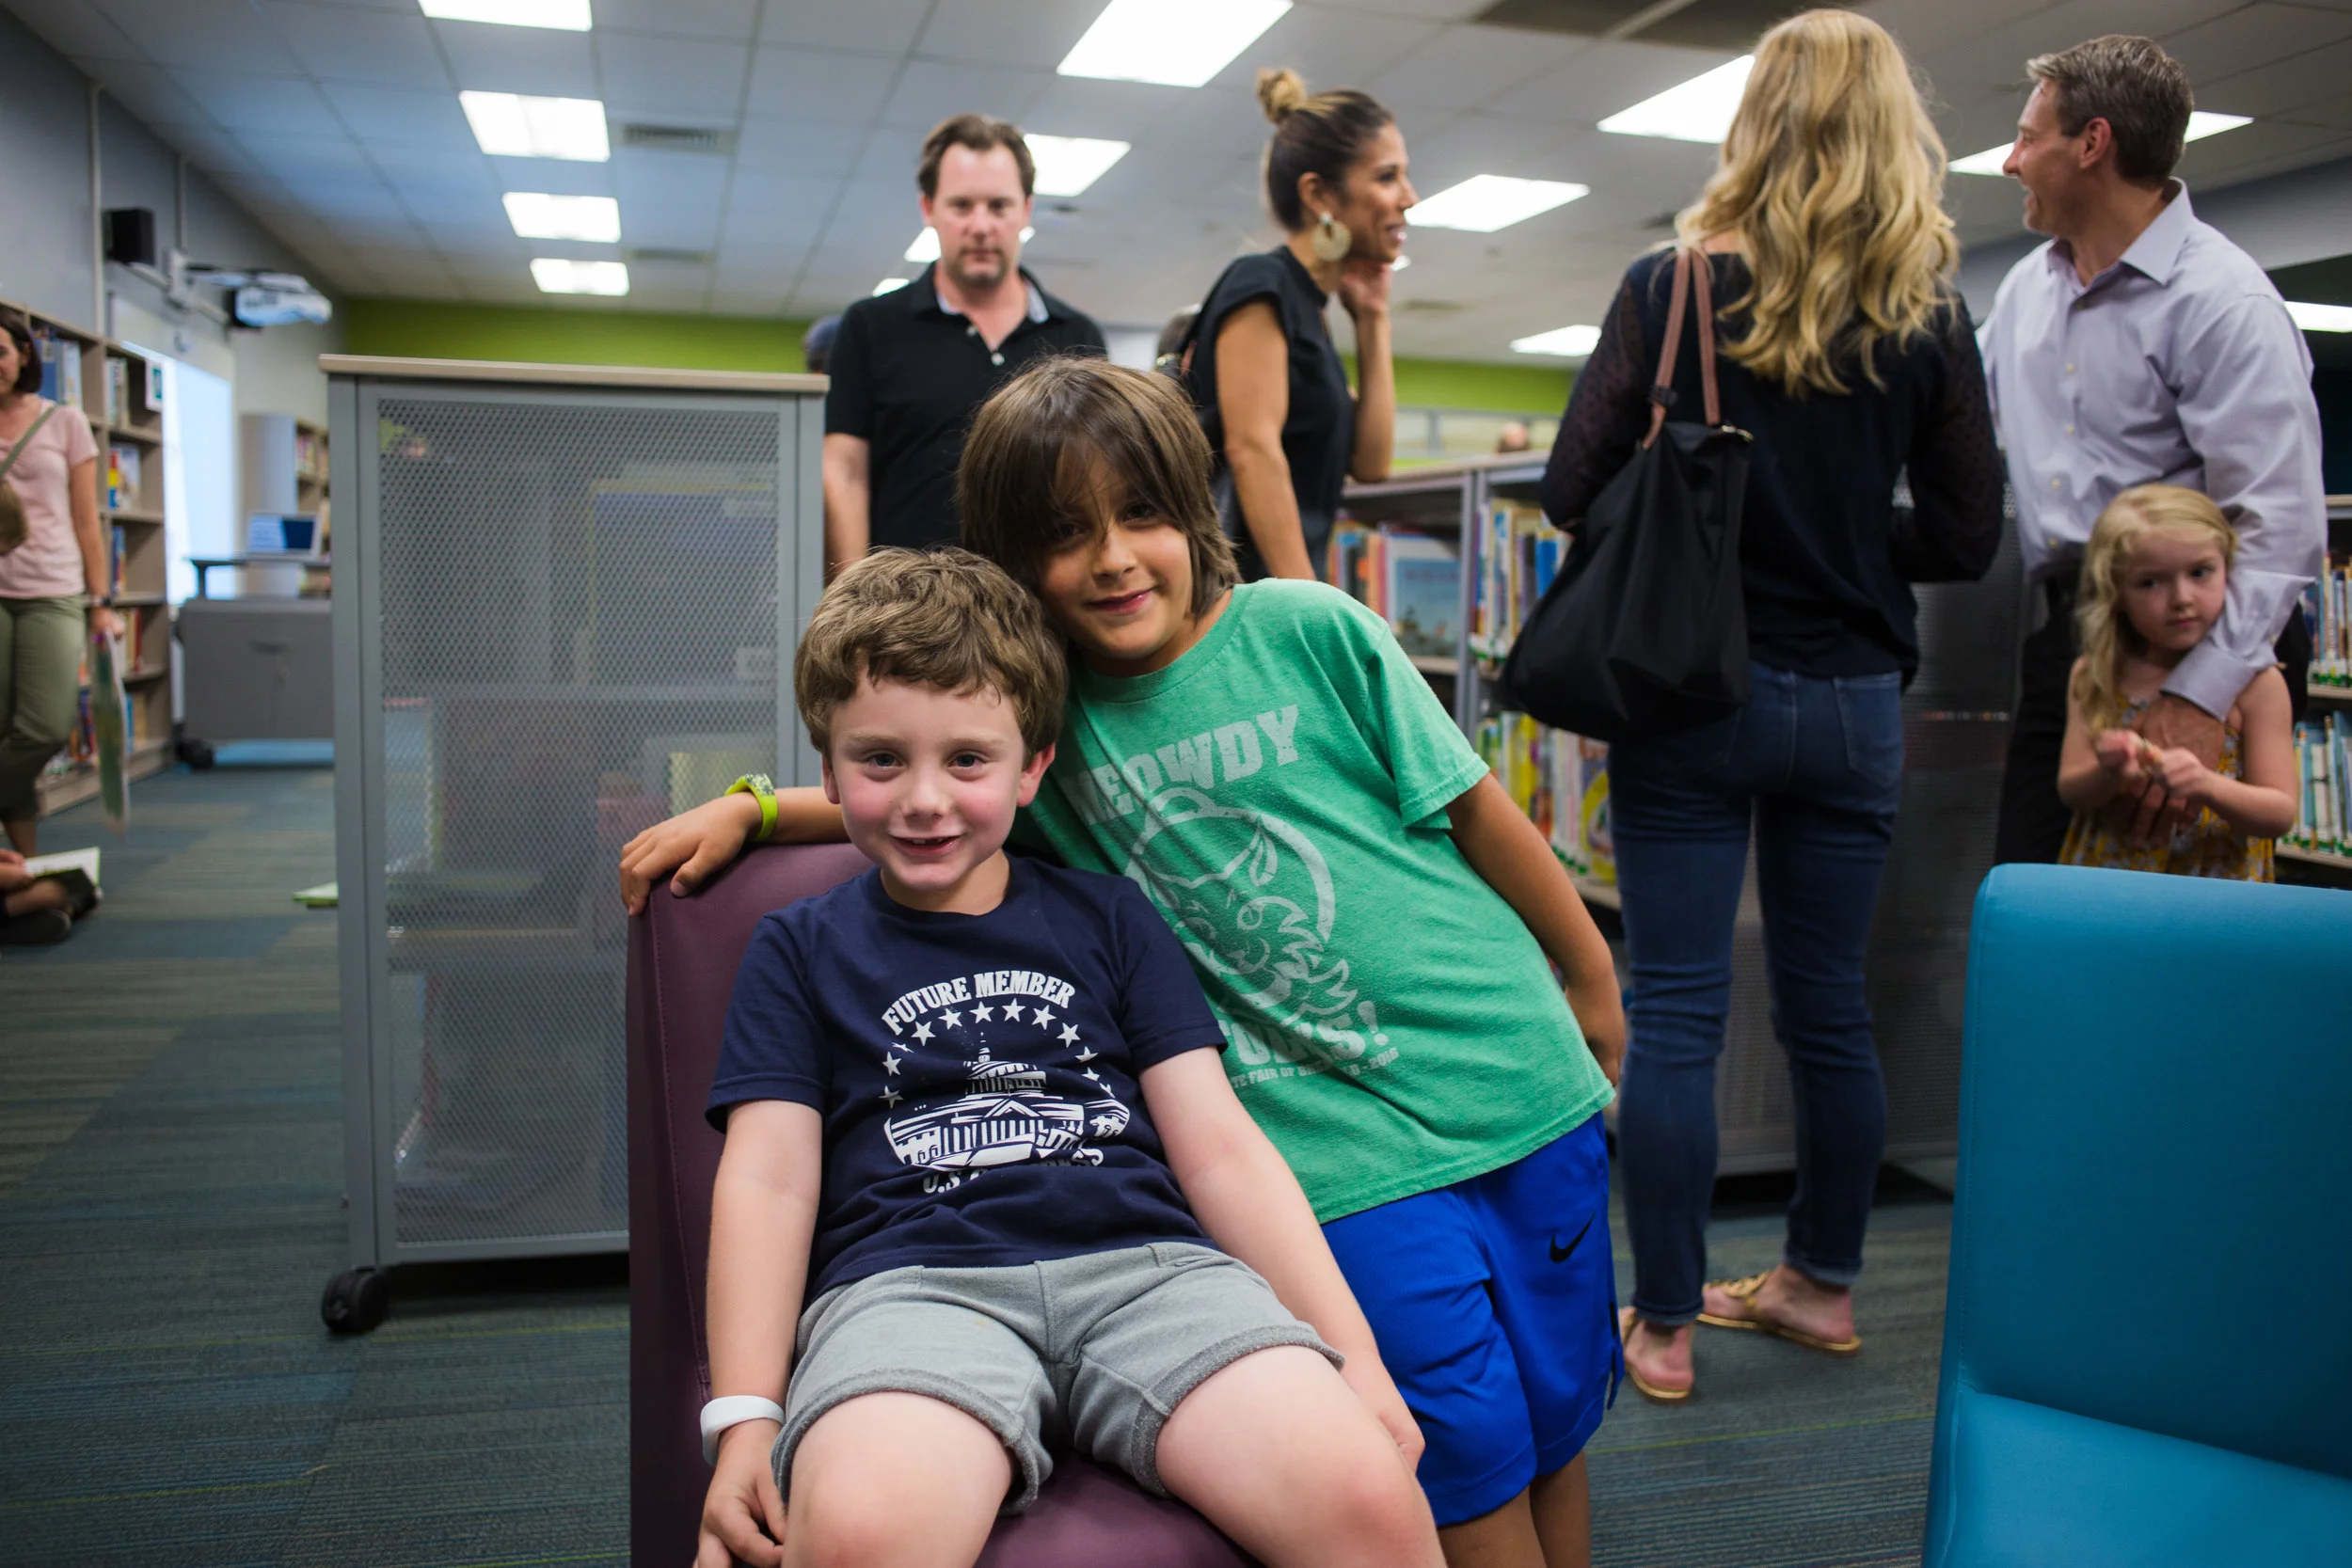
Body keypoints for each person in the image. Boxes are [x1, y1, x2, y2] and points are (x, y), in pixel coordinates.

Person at [629, 357, 1626, 1568]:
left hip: (1507, 1074)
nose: (1111, 558)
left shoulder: (1300, 634)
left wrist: (1591, 975)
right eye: (1064, 533)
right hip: (1332, 1157)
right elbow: (913, 764)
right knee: (1463, 1453)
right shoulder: (1051, 726)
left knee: (1556, 1420)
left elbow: (1472, 809)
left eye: (1142, 513)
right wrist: (749, 804)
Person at [694, 548, 1441, 1568]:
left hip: (1152, 1275)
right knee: (864, 1531)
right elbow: (769, 1182)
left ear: (1033, 767)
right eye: (880, 760)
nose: (924, 798)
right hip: (911, 1289)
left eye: (968, 760)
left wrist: (1353, 1354)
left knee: (1364, 1492)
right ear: (826, 771)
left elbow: (1220, 1147)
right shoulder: (798, 946)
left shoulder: (1113, 918)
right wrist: (744, 1418)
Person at [1538, 9, 2003, 1404]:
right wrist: (1854, 540)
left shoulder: (1672, 287)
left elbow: (1569, 486)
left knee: (1678, 1012)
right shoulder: (1927, 311)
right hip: (1854, 702)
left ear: (1755, 120)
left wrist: (1709, 521)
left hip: (1693, 691)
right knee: (1830, 1012)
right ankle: (1820, 1282)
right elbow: (1966, 531)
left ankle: (1665, 1327)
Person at [1981, 34, 2325, 866]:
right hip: (2076, 632)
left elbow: (2280, 526)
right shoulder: (2025, 291)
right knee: (2035, 887)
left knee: (2178, 906)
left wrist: (2198, 694)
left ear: (2091, 144)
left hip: (2201, 634)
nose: (2011, 162)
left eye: (2027, 138)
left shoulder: (2224, 301)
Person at [820, 114, 1105, 574]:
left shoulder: (1076, 336)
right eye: (961, 206)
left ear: (1026, 210)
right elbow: (844, 473)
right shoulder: (870, 327)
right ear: (928, 208)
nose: (981, 225)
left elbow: (1096, 482)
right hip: (910, 603)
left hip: (1042, 601)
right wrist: (853, 594)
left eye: (998, 206)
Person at [1184, 70, 1410, 582]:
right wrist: (1307, 607)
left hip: (1276, 591)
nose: (1409, 196)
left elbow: (1371, 465)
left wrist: (1372, 319)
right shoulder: (1263, 284)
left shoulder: (1311, 308)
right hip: (1242, 598)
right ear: (1319, 195)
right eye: (1387, 177)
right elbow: (1251, 451)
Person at [2056, 485, 2294, 879]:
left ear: (2228, 570)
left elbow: (2280, 812)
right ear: (2116, 592)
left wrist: (2207, 785)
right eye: (2150, 582)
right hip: (2110, 885)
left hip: (2213, 890)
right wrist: (2109, 771)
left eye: (2200, 572)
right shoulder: (2096, 672)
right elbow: (2071, 790)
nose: (2182, 598)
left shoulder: (2257, 685)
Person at [0, 308, 122, 859]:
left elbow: (86, 521)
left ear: (24, 354)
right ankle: (23, 869)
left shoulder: (63, 422)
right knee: (3, 730)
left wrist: (100, 601)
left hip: (52, 588)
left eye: (0, 352)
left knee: (45, 727)